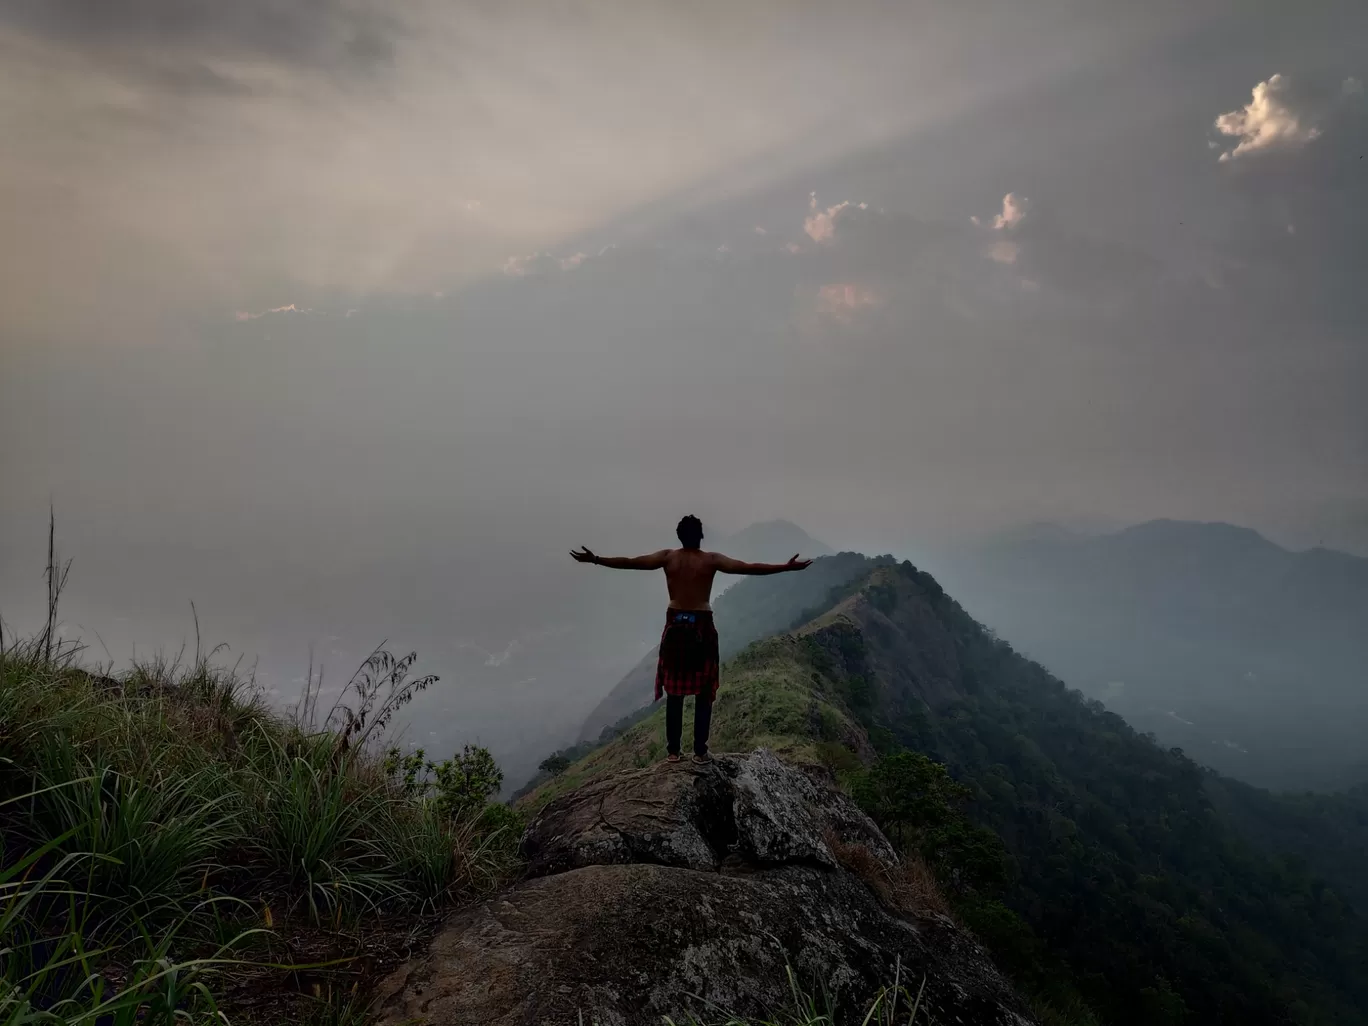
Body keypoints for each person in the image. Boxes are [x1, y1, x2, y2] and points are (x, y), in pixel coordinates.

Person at [571, 515, 812, 764]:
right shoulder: (711, 560)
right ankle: (700, 751)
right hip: (702, 625)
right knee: (704, 690)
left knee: (674, 691)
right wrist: (785, 567)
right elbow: (748, 567)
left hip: (675, 623)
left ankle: (673, 752)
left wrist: (596, 559)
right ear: (701, 536)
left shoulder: (668, 558)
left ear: (679, 536)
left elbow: (632, 562)